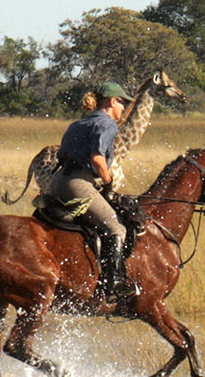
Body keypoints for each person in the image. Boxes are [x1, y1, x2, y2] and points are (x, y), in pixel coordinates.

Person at [51, 82, 137, 302]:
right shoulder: (107, 124)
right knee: (116, 227)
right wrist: (108, 182)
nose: (124, 109)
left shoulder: (79, 123)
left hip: (58, 180)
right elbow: (98, 159)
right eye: (122, 103)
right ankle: (113, 284)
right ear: (112, 101)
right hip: (78, 184)